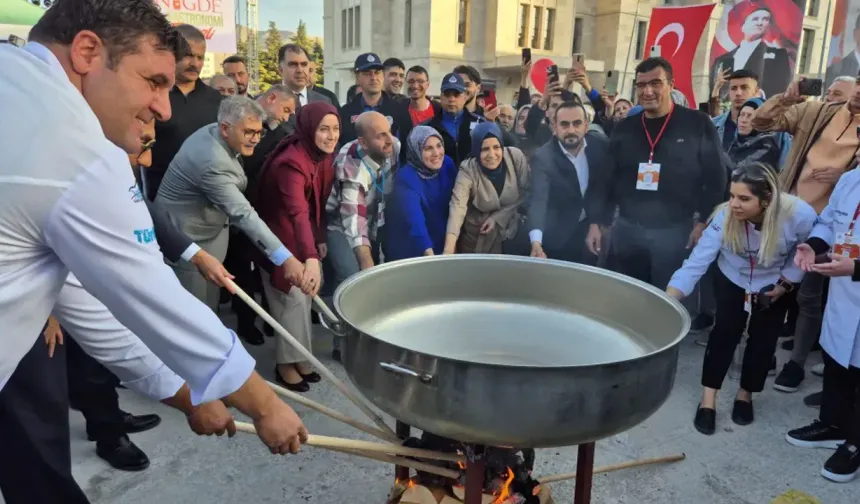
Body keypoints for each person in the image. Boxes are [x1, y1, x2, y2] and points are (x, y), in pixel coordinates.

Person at [0, 1, 306, 502]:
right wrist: (265, 405)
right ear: (87, 52)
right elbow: (155, 299)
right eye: (153, 82)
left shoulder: (14, 79)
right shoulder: (74, 146)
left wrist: (188, 397)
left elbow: (89, 306)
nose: (164, 109)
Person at [666, 163, 816, 435]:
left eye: (744, 198)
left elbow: (805, 251)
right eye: (732, 195)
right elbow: (696, 263)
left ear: (767, 199)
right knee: (724, 333)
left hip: (775, 282)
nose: (734, 204)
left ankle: (745, 395)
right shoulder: (724, 217)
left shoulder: (800, 215)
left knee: (764, 341)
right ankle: (708, 399)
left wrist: (786, 283)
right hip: (732, 276)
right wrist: (669, 299)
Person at [753, 74, 860, 393]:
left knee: (809, 298)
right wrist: (788, 97)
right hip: (788, 215)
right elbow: (761, 122)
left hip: (829, 227)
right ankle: (763, 355)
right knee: (770, 285)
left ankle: (796, 364)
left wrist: (845, 174)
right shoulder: (817, 112)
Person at [155, 96, 305, 315]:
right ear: (225, 128)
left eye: (259, 132)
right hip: (187, 240)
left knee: (210, 309)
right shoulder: (211, 161)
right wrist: (285, 258)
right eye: (249, 132)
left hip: (210, 234)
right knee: (196, 315)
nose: (256, 139)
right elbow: (243, 214)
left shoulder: (213, 130)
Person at [587, 57, 727, 291]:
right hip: (628, 230)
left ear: (671, 85)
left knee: (666, 297)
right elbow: (606, 178)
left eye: (655, 83)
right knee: (627, 295)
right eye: (641, 85)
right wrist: (596, 221)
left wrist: (704, 221)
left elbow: (715, 177)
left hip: (676, 231)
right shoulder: (625, 127)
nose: (648, 91)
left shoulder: (697, 123)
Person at [256, 102, 341, 392]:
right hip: (278, 237)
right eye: (324, 129)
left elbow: (317, 201)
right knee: (290, 298)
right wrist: (310, 258)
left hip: (301, 235)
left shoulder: (319, 155)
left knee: (304, 298)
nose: (331, 136)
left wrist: (318, 240)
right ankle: (285, 365)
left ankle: (300, 358)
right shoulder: (291, 162)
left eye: (335, 129)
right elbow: (297, 212)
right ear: (308, 129)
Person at [786, 164, 860, 483]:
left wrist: (856, 267)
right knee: (836, 359)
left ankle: (855, 445)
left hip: (851, 274)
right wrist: (814, 246)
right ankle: (833, 424)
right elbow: (829, 221)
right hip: (843, 292)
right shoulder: (851, 178)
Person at [147, 23, 223, 200]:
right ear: (171, 54)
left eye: (200, 57)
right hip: (161, 197)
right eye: (188, 55)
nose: (195, 64)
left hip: (206, 199)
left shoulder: (216, 99)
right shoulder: (152, 94)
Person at [528, 101, 608, 264]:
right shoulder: (543, 157)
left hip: (592, 230)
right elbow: (538, 199)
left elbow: (601, 187)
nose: (571, 130)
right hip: (557, 236)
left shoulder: (599, 146)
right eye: (564, 124)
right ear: (554, 127)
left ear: (586, 125)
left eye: (577, 123)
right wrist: (536, 242)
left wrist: (596, 222)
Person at [443, 122, 529, 254]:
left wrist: (498, 217)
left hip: (512, 234)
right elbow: (457, 207)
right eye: (485, 149)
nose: (492, 154)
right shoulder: (468, 170)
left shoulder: (514, 158)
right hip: (478, 239)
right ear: (476, 150)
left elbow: (526, 193)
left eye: (496, 147)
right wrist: (449, 248)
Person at [385, 126, 458, 260]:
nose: (436, 153)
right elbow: (415, 222)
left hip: (443, 241)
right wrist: (431, 258)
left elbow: (457, 203)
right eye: (428, 148)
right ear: (416, 150)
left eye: (439, 145)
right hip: (413, 249)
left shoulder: (447, 164)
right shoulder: (406, 178)